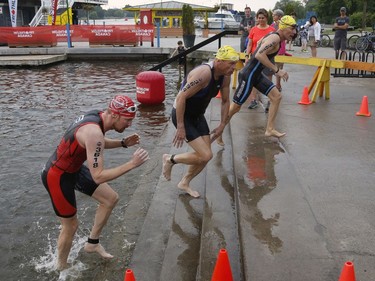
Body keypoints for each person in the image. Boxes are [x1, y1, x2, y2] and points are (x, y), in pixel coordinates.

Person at [41, 95, 149, 270]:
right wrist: (132, 164)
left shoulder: (98, 117)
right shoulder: (94, 132)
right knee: (70, 226)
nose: (130, 125)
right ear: (114, 115)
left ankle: (92, 243)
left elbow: (95, 144)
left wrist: (122, 143)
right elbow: (98, 176)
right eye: (127, 120)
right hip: (57, 176)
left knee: (110, 198)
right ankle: (60, 267)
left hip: (73, 169)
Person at [162, 46, 239, 197]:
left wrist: (222, 124)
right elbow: (181, 97)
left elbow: (225, 101)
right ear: (218, 61)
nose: (233, 67)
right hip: (183, 115)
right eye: (230, 63)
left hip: (198, 115)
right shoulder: (203, 74)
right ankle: (170, 159)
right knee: (205, 155)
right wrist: (180, 126)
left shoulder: (225, 75)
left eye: (234, 64)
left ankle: (184, 182)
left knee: (205, 156)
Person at [217, 15, 297, 144]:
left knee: (276, 97)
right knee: (235, 108)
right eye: (291, 29)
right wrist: (277, 70)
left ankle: (270, 129)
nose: (294, 32)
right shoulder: (275, 38)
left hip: (256, 75)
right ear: (283, 28)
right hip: (248, 75)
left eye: (294, 29)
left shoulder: (274, 36)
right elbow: (260, 54)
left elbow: (259, 45)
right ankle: (218, 132)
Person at [245, 8, 275, 110]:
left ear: (266, 18)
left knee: (268, 79)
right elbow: (249, 44)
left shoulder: (271, 30)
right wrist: (246, 56)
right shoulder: (253, 29)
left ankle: (270, 101)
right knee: (253, 79)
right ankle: (253, 100)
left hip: (268, 58)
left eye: (263, 18)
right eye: (259, 18)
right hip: (255, 58)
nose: (261, 20)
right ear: (257, 18)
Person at [271, 9, 286, 94]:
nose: (273, 16)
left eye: (274, 15)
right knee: (272, 68)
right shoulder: (272, 24)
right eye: (273, 15)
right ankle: (275, 85)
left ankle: (278, 85)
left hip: (280, 49)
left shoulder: (283, 25)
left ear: (279, 16)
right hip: (272, 49)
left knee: (279, 67)